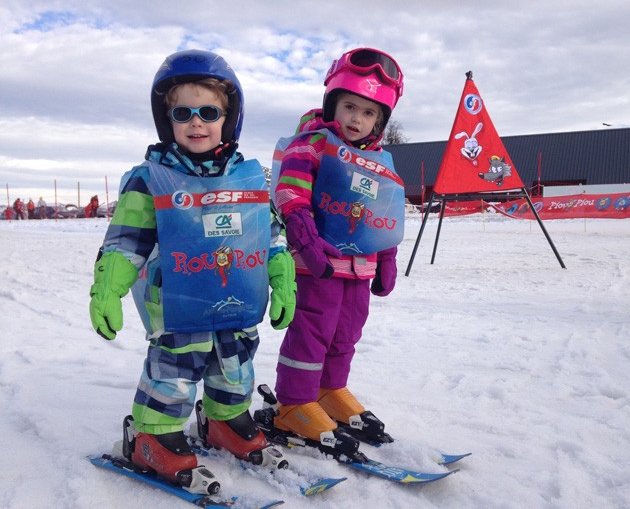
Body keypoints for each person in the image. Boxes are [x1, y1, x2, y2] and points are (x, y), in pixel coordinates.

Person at [88, 49, 296, 492]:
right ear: (168, 120)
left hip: (238, 294)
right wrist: (108, 288)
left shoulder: (248, 177)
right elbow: (127, 240)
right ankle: (153, 436)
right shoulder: (152, 177)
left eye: (208, 112)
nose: (196, 122)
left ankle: (226, 421)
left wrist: (281, 277)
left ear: (229, 117)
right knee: (174, 372)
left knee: (235, 364)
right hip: (178, 302)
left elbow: (270, 233)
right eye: (183, 113)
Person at [269, 48, 406, 456]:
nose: (356, 119)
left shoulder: (381, 161)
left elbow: (384, 215)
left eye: (368, 113)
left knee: (347, 330)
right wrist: (303, 234)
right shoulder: (313, 143)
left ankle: (329, 390)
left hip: (359, 265)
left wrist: (386, 256)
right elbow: (291, 190)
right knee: (314, 329)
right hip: (318, 262)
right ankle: (294, 402)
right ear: (333, 103)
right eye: (349, 106)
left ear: (379, 121)